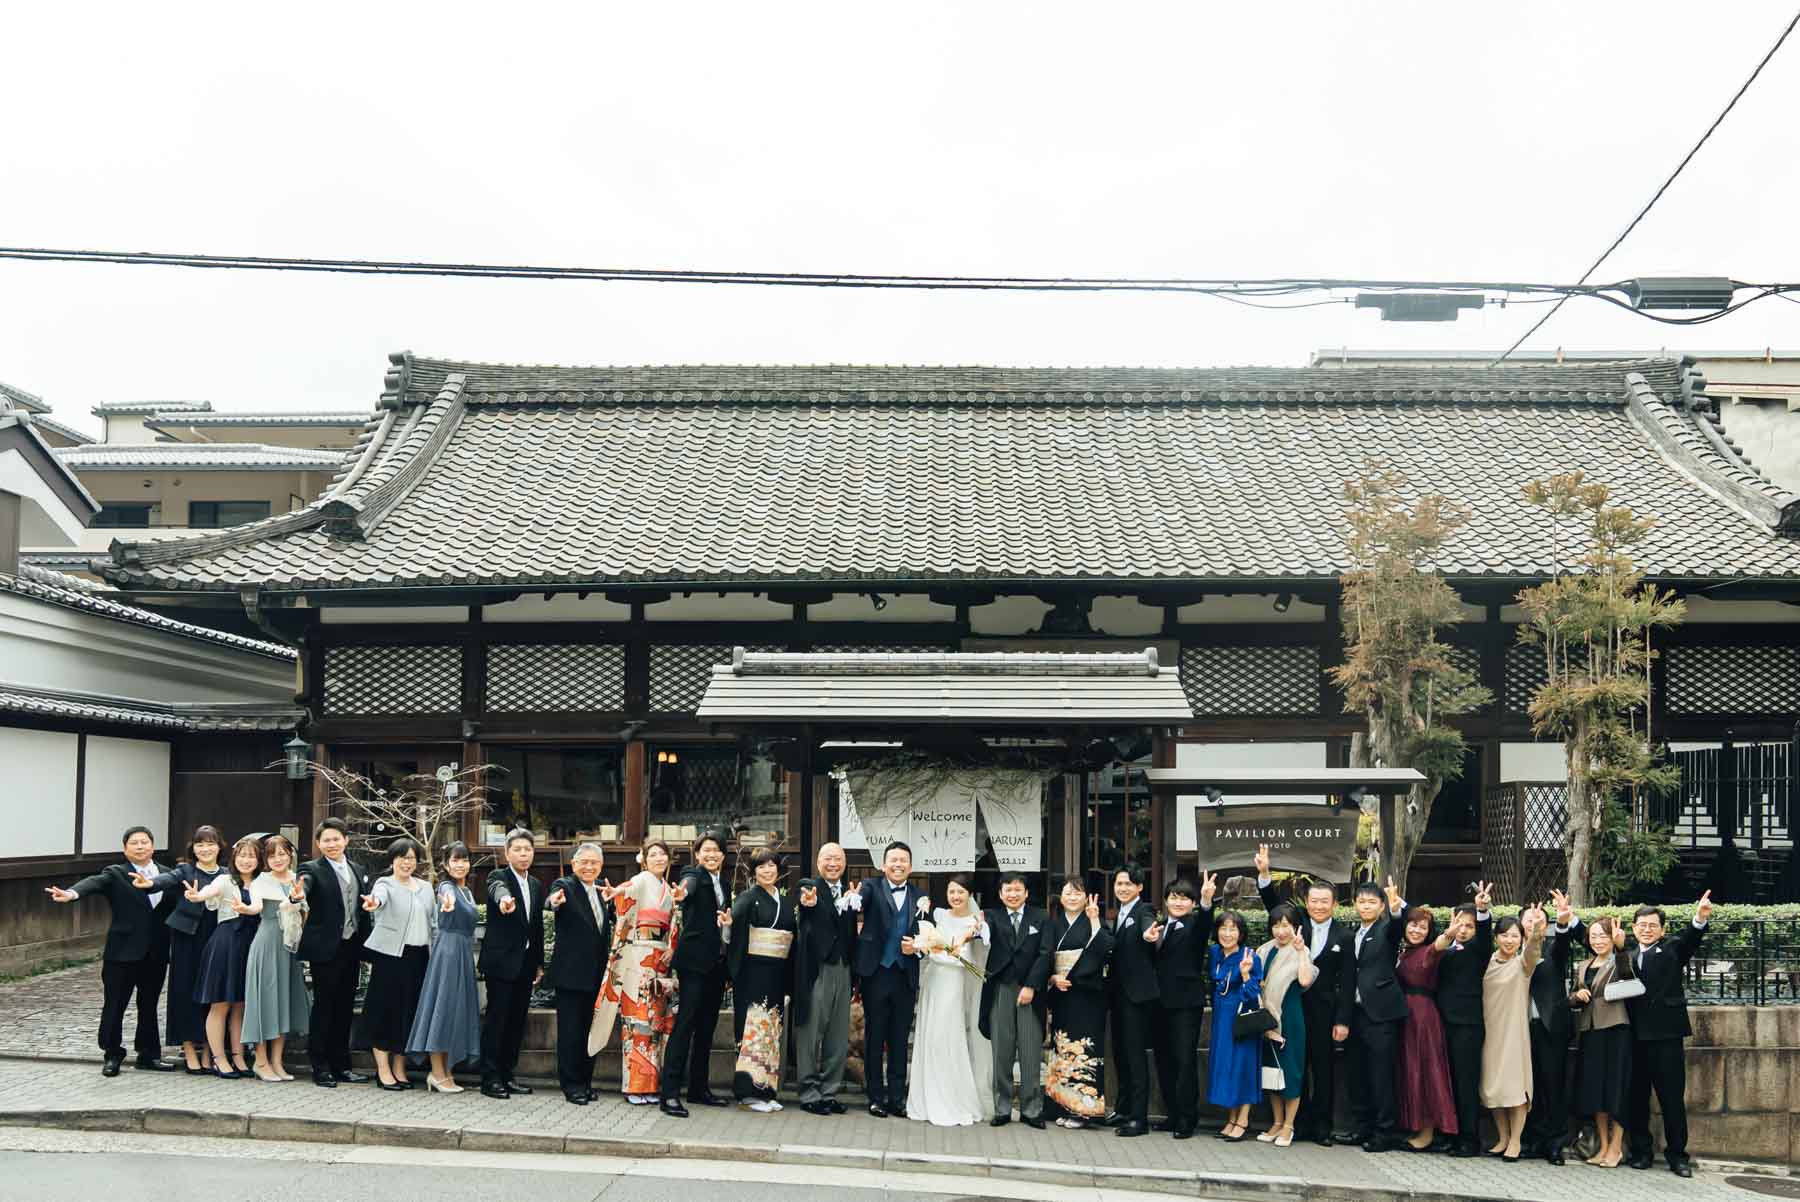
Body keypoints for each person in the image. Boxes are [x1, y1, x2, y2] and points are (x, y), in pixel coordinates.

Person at [45, 825, 181, 1076]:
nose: (140, 847)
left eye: (145, 842)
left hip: (156, 952)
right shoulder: (116, 873)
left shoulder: (167, 875)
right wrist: (72, 893)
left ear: (153, 846)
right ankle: (112, 1054)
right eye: (134, 843)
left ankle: (148, 1054)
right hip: (121, 953)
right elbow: (93, 883)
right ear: (125, 849)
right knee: (115, 1005)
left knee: (149, 1005)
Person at [1256, 845, 1348, 1147]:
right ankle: (1298, 1124)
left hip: (1323, 1013)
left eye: (1325, 902)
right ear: (1306, 904)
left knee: (1322, 1069)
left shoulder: (1344, 936)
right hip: (1292, 1010)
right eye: (1314, 901)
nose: (1319, 906)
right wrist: (1265, 874)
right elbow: (1275, 910)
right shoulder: (1296, 927)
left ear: (1334, 904)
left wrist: (1342, 1020)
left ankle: (1322, 1126)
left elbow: (1349, 981)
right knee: (1293, 1067)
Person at [1624, 890, 1712, 1177]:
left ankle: (1678, 1156)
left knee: (1671, 1099)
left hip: (1666, 1038)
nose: (1646, 930)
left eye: (1652, 926)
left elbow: (1691, 940)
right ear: (1634, 928)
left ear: (1662, 929)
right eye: (1641, 925)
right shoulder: (1627, 954)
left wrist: (1699, 918)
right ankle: (1641, 1152)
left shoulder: (1672, 949)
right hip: (1635, 1039)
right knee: (1637, 1099)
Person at [133, 824, 225, 1072]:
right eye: (200, 844)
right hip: (188, 939)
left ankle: (208, 1050)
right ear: (193, 848)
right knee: (184, 992)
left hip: (218, 939)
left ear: (219, 846)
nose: (205, 849)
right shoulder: (186, 870)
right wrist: (149, 883)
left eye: (210, 843)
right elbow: (167, 879)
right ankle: (187, 1049)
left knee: (214, 996)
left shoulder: (226, 874)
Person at [906, 871, 992, 1126]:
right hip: (934, 981)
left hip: (955, 983)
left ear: (970, 895)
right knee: (930, 1035)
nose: (956, 896)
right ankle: (927, 1095)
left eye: (961, 892)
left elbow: (980, 949)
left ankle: (954, 1098)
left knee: (949, 1035)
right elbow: (927, 944)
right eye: (952, 891)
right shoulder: (939, 915)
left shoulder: (976, 922)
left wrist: (972, 935)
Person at [597, 839, 678, 1107]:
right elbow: (625, 891)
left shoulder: (667, 888)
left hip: (659, 958)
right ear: (642, 858)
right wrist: (614, 893)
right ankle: (633, 1085)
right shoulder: (642, 880)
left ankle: (651, 1084)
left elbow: (675, 922)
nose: (658, 859)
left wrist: (671, 947)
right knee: (637, 1020)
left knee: (655, 1021)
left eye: (662, 855)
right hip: (638, 956)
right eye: (652, 854)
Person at [295, 817, 373, 1089]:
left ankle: (342, 1065)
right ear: (318, 844)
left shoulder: (358, 868)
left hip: (351, 947)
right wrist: (298, 894)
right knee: (324, 1007)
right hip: (325, 949)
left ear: (346, 840)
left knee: (345, 1007)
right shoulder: (311, 869)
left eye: (336, 839)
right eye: (326, 840)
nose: (331, 844)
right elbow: (304, 885)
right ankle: (320, 1066)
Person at [1034, 874, 1115, 1128]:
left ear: (1087, 897)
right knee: (1062, 1050)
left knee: (1085, 1050)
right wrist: (1052, 977)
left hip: (1088, 995)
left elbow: (1106, 948)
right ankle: (1062, 1104)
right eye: (1068, 892)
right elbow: (1045, 955)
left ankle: (1083, 1111)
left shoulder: (1095, 921)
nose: (1072, 897)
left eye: (1078, 893)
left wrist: (1093, 921)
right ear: (1061, 897)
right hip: (1062, 994)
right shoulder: (1052, 924)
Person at [661, 830, 733, 1114]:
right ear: (698, 854)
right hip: (693, 965)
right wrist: (681, 892)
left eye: (716, 850)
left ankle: (698, 1089)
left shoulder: (724, 883)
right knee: (685, 1026)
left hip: (716, 965)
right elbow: (686, 887)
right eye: (706, 850)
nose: (711, 855)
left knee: (706, 1029)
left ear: (723, 856)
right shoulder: (693, 874)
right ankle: (669, 1093)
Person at [853, 840, 925, 1118]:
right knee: (875, 1037)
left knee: (898, 1037)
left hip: (905, 974)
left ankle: (897, 1098)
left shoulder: (920, 895)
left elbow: (925, 934)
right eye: (893, 860)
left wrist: (916, 947)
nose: (898, 864)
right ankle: (875, 1097)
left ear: (910, 866)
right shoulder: (871, 887)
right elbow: (860, 903)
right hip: (876, 973)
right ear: (883, 865)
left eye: (903, 860)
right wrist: (854, 899)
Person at [359, 836, 437, 1090]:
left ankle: (399, 1067)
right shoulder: (385, 884)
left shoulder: (426, 887)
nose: (407, 862)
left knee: (409, 1013)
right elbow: (377, 898)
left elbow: (434, 923)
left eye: (412, 858)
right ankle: (383, 1070)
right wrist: (373, 903)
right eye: (402, 857)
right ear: (392, 860)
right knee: (385, 1011)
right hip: (390, 957)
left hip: (419, 958)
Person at [1337, 877, 1409, 1151]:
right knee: (1357, 1075)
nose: (1366, 906)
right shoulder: (1353, 933)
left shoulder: (1386, 929)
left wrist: (1395, 908)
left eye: (1372, 902)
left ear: (1381, 906)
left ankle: (1385, 1132)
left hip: (1380, 1014)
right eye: (1362, 901)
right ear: (1355, 904)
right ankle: (1361, 1127)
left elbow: (1397, 929)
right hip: (1355, 1013)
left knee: (1381, 1076)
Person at [1144, 874, 1217, 1139]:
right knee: (1164, 1061)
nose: (1178, 901)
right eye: (1173, 896)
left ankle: (1187, 1118)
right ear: (1165, 900)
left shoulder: (1196, 924)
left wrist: (1207, 901)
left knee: (1185, 1061)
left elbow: (1205, 924)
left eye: (1185, 897)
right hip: (1159, 1004)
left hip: (1186, 1004)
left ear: (1193, 902)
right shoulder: (1158, 927)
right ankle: (1171, 1114)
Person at [977, 869, 1050, 1128]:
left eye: (1018, 889)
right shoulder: (992, 917)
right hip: (1001, 989)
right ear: (1000, 893)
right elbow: (981, 934)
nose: (1013, 894)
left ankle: (1032, 1109)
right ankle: (1003, 1108)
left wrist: (1031, 985)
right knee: (1002, 1051)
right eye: (1008, 889)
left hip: (1030, 991)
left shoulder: (1040, 917)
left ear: (1026, 893)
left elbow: (1045, 954)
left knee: (1030, 1052)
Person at [408, 841, 482, 1094]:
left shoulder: (467, 891)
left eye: (464, 860)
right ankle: (437, 1073)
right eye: (455, 860)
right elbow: (445, 901)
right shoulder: (446, 887)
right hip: (449, 952)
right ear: (445, 864)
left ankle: (445, 1072)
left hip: (461, 952)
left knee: (453, 1011)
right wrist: (446, 904)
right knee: (443, 1009)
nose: (460, 865)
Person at [479, 828, 545, 1099]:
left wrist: (539, 963)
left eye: (527, 849)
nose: (523, 854)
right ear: (507, 853)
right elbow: (498, 891)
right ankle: (490, 1078)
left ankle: (508, 1074)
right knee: (497, 1020)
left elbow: (537, 926)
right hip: (501, 963)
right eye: (517, 850)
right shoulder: (498, 876)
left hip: (526, 964)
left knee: (517, 1022)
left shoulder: (535, 884)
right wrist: (505, 901)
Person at [729, 848, 798, 1112]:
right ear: (753, 871)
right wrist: (727, 924)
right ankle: (748, 1093)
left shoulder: (784, 900)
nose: (767, 871)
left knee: (771, 1031)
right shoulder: (748, 898)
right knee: (753, 1030)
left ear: (779, 870)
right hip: (753, 972)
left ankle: (767, 1089)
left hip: (776, 972)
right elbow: (734, 929)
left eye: (772, 866)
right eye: (761, 867)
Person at [545, 841, 613, 1104]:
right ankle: (571, 1085)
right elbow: (553, 900)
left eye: (594, 863)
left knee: (590, 1032)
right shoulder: (566, 886)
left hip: (596, 976)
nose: (589, 867)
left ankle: (585, 1082)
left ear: (601, 866)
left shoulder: (600, 892)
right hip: (571, 976)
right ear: (574, 865)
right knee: (571, 1033)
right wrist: (554, 902)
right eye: (583, 862)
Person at [238, 833, 310, 1083]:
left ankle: (278, 1061)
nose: (278, 859)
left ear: (290, 854)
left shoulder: (296, 880)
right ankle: (260, 1061)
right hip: (268, 943)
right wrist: (245, 909)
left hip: (290, 946)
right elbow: (257, 906)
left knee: (284, 1002)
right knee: (265, 1001)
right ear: (265, 859)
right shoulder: (262, 881)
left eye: (282, 853)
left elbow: (304, 913)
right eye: (271, 855)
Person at [793, 842, 857, 1116]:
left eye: (838, 859)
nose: (833, 864)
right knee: (810, 1031)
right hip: (817, 969)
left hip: (843, 968)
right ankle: (809, 1092)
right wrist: (807, 902)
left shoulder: (850, 892)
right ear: (819, 862)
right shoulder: (811, 887)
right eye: (828, 859)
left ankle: (829, 1091)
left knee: (838, 1035)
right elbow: (804, 898)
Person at [1480, 905, 1547, 1160]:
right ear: (1496, 937)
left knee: (1515, 1088)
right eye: (1504, 935)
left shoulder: (1523, 964)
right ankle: (1503, 1138)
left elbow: (1532, 951)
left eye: (1515, 936)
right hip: (1489, 1032)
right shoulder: (1487, 962)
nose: (1509, 940)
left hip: (1514, 1033)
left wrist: (1536, 932)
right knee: (1492, 1088)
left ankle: (1516, 1141)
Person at [1522, 888, 1583, 1164]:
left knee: (1553, 1085)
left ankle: (1555, 1143)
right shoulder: (1510, 948)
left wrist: (1562, 923)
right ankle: (1531, 1140)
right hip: (1519, 1029)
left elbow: (1562, 945)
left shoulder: (1553, 950)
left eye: (1539, 920)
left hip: (1549, 1028)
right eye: (1528, 919)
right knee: (1527, 1088)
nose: (1533, 924)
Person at [192, 834, 261, 1079]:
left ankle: (239, 1056)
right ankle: (219, 1058)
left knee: (241, 1004)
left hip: (251, 945)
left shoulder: (262, 882)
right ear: (234, 857)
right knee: (220, 1003)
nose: (246, 860)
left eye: (251, 856)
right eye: (242, 855)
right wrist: (197, 896)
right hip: (226, 943)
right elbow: (208, 892)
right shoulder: (224, 880)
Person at [1433, 886, 1494, 1158]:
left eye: (1470, 926)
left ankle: (1469, 1139)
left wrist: (1482, 911)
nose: (1464, 930)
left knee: (1466, 1082)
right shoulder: (1443, 950)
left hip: (1467, 1026)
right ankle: (1448, 1134)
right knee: (1445, 1081)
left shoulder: (1478, 951)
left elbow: (1483, 939)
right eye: (1459, 924)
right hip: (1440, 1023)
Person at [1570, 914, 1634, 1169]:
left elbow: (1630, 976)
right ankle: (1603, 1147)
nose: (1598, 940)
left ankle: (1617, 1147)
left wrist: (1620, 947)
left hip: (1616, 1029)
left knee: (1616, 1088)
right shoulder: (1583, 965)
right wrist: (1577, 994)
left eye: (1603, 935)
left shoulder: (1621, 960)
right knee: (1595, 1090)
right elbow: (1571, 998)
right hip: (1590, 1030)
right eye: (1594, 935)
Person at [1394, 905, 1458, 1151]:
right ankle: (1415, 1124)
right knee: (1410, 1071)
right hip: (1405, 1016)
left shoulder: (1429, 952)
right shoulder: (1404, 952)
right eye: (1413, 925)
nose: (1417, 930)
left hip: (1423, 1018)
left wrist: (1449, 935)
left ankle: (1428, 1130)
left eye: (1423, 927)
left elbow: (1438, 946)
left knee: (1427, 1070)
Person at [1103, 862, 1158, 1137]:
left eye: (1128, 884)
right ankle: (1124, 1109)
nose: (1122, 888)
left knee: (1135, 1058)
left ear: (1139, 887)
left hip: (1136, 998)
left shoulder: (1143, 910)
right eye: (1119, 884)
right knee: (1121, 1055)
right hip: (1118, 996)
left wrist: (1149, 934)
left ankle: (1139, 1118)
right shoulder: (1117, 914)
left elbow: (1149, 927)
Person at [1256, 903, 1317, 1148]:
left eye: (1286, 926)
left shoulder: (1300, 950)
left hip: (1290, 1019)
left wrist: (1302, 952)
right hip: (1266, 1020)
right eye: (1276, 925)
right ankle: (1277, 1122)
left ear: (1295, 928)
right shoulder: (1262, 950)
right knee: (1271, 1073)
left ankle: (1289, 1125)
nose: (1281, 931)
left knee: (1291, 1072)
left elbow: (1304, 980)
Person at [1205, 908, 1264, 1140]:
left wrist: (1247, 974)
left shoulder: (1249, 956)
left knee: (1243, 1067)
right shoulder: (1215, 953)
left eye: (1233, 929)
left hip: (1242, 1019)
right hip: (1221, 1018)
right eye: (1223, 928)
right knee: (1225, 1066)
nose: (1227, 934)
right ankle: (1231, 1118)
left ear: (1241, 933)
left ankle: (1243, 1119)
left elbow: (1253, 994)